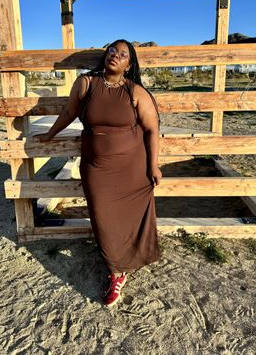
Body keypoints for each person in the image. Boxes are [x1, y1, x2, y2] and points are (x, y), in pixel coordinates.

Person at [34, 39, 162, 307]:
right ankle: (117, 263)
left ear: (129, 65)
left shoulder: (135, 92)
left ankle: (118, 272)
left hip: (132, 167)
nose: (115, 55)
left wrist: (153, 166)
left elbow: (151, 129)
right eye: (112, 50)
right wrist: (50, 134)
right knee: (102, 217)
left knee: (128, 217)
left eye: (123, 54)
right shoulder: (86, 84)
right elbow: (69, 111)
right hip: (96, 167)